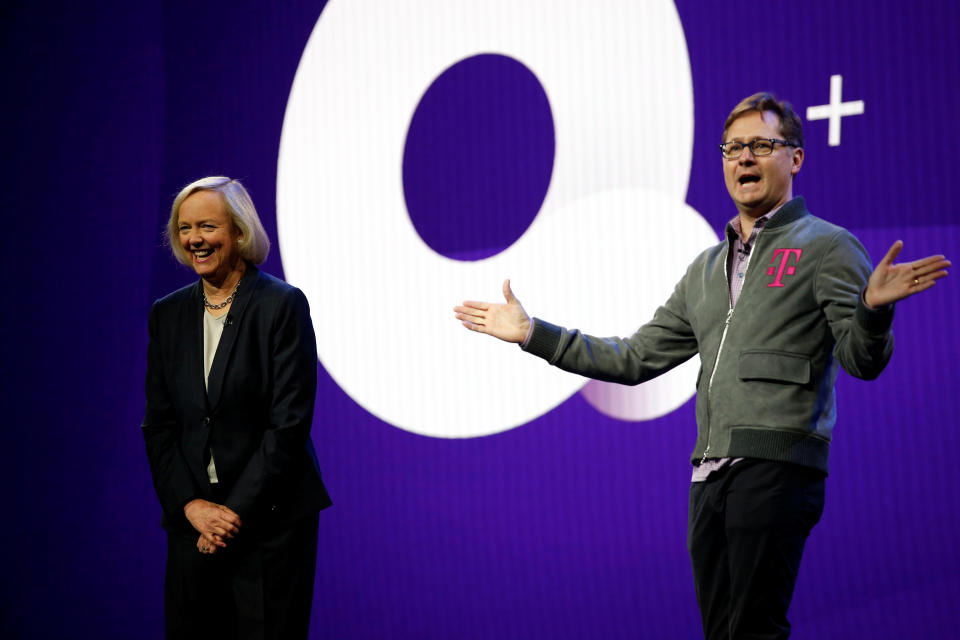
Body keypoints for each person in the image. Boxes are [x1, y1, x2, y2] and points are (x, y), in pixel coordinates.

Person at [453, 93, 950, 639]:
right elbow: (635, 359)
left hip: (777, 466)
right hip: (707, 474)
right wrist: (532, 333)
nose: (744, 159)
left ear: (796, 157)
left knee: (753, 629)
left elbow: (861, 360)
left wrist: (872, 311)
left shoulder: (827, 247)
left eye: (761, 145)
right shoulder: (705, 268)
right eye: (733, 148)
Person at [142, 176, 332, 640]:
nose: (195, 240)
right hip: (193, 526)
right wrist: (191, 505)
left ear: (240, 232)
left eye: (207, 226)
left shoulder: (281, 305)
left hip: (268, 524)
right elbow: (160, 424)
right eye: (185, 228)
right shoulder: (167, 314)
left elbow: (287, 425)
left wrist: (229, 514)